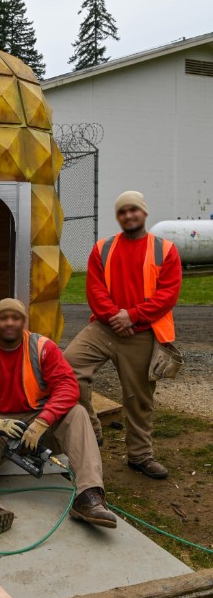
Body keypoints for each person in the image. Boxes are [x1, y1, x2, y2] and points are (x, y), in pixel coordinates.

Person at [0, 298, 116, 542]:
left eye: (15, 317)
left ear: (23, 321)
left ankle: (89, 496)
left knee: (77, 413)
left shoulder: (43, 347)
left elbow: (67, 386)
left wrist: (42, 421)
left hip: (38, 422)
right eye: (3, 318)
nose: (9, 323)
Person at [64, 191, 182, 479]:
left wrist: (133, 315)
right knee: (67, 370)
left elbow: (168, 294)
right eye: (123, 211)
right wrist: (117, 317)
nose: (129, 215)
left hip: (143, 332)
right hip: (104, 327)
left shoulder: (165, 250)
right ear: (118, 216)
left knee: (138, 398)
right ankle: (91, 431)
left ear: (143, 213)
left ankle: (140, 456)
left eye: (134, 210)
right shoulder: (102, 248)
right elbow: (94, 290)